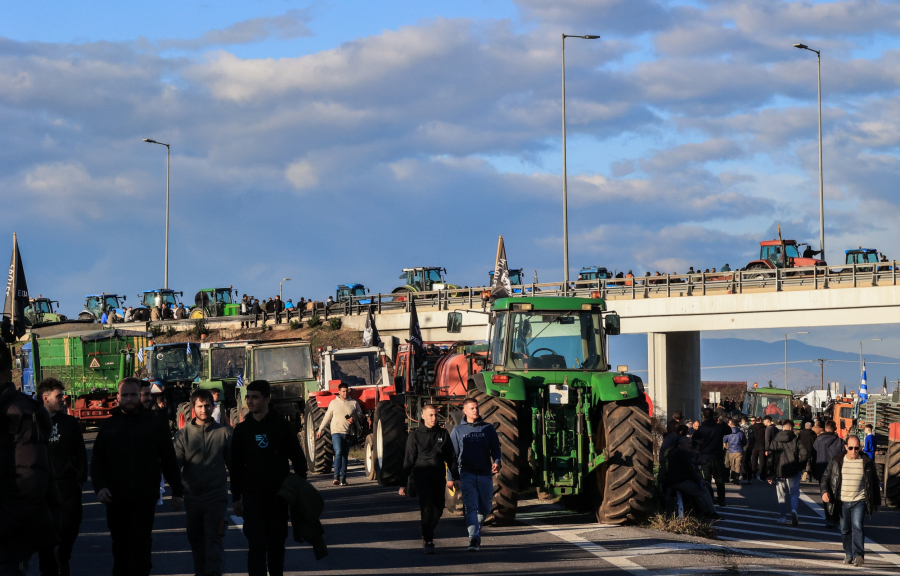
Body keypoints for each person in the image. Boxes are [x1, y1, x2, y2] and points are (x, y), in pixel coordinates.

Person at [91, 378, 184, 576]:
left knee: (141, 551)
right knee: (121, 551)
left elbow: (168, 458)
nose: (129, 399)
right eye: (125, 395)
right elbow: (97, 462)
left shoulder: (154, 424)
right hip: (116, 499)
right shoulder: (108, 427)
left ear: (139, 396)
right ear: (118, 397)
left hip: (144, 498)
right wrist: (100, 487)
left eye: (133, 394)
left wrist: (177, 490)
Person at [231, 380, 308, 576]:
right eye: (248, 397)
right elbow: (236, 466)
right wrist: (236, 497)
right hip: (252, 496)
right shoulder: (242, 430)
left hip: (278, 496)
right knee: (256, 544)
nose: (250, 401)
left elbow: (298, 458)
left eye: (255, 397)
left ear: (267, 399)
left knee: (276, 545)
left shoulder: (282, 426)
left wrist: (300, 489)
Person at [0, 339, 59, 576]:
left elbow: (29, 480)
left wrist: (3, 523)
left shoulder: (20, 413)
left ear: (4, 374)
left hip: (8, 538)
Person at [175, 389, 232, 576]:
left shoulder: (224, 433)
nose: (204, 410)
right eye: (200, 406)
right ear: (193, 408)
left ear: (213, 406)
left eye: (207, 405)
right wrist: (177, 492)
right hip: (192, 499)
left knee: (214, 540)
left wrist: (239, 495)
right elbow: (175, 465)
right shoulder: (183, 435)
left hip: (216, 497)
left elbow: (235, 467)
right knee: (196, 541)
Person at [36, 378, 87, 576]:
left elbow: (81, 455)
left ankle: (62, 560)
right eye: (59, 395)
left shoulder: (70, 423)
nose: (63, 398)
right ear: (45, 398)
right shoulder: (34, 422)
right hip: (43, 490)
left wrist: (79, 480)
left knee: (69, 532)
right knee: (46, 541)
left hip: (68, 489)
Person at [398, 404, 459, 554]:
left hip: (438, 475)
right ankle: (429, 539)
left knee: (438, 508)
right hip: (421, 475)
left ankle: (426, 529)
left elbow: (450, 457)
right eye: (431, 415)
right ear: (423, 416)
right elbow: (408, 460)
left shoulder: (443, 433)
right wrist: (402, 484)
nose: (434, 418)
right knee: (427, 507)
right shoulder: (415, 435)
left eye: (436, 415)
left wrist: (456, 477)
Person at [821, 435, 880, 567]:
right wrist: (824, 492)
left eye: (857, 448)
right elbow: (825, 477)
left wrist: (876, 501)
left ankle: (858, 554)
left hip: (860, 500)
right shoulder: (836, 461)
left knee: (858, 526)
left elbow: (873, 483)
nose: (854, 450)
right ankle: (848, 553)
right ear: (846, 447)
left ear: (860, 447)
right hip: (842, 502)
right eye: (851, 448)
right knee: (845, 529)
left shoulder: (866, 462)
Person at [450, 398, 501, 551]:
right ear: (464, 411)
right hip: (467, 474)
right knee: (471, 507)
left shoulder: (488, 428)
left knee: (485, 508)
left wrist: (497, 461)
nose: (475, 410)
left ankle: (475, 530)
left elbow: (496, 449)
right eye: (472, 408)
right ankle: (474, 539)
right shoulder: (457, 431)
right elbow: (452, 456)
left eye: (477, 407)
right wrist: (451, 477)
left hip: (485, 474)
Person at [316, 383, 363, 486]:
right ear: (339, 392)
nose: (345, 393)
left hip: (348, 432)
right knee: (338, 452)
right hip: (336, 431)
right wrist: (320, 429)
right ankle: (336, 477)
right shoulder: (333, 403)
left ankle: (343, 478)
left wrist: (353, 419)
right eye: (343, 391)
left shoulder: (354, 403)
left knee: (345, 455)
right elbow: (327, 417)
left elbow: (360, 415)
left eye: (346, 391)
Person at [666, 436, 719, 519]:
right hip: (680, 482)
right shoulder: (682, 453)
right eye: (688, 443)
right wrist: (699, 481)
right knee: (703, 490)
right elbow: (690, 470)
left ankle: (703, 511)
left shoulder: (674, 452)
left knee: (698, 491)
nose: (690, 445)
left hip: (675, 481)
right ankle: (711, 512)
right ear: (682, 443)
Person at [768, 421, 808, 526]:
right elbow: (804, 453)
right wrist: (800, 466)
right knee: (794, 493)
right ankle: (794, 510)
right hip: (793, 469)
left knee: (781, 494)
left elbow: (770, 457)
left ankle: (782, 517)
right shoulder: (795, 439)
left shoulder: (775, 440)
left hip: (779, 470)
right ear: (791, 428)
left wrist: (769, 472)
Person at [691, 408, 730, 506]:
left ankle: (710, 498)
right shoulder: (719, 427)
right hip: (717, 456)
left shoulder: (701, 429)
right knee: (719, 479)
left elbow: (693, 441)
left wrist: (698, 449)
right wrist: (722, 423)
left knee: (707, 480)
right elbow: (729, 430)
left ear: (703, 416)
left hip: (705, 457)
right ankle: (722, 499)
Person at [813, 420, 845, 528]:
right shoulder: (840, 442)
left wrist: (813, 470)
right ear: (835, 429)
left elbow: (813, 456)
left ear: (825, 429)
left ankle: (829, 517)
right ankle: (836, 517)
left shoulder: (818, 441)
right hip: (836, 471)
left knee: (825, 494)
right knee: (836, 494)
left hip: (821, 469)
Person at [723, 419, 747, 485]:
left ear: (730, 424)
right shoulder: (741, 432)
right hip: (739, 450)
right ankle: (736, 478)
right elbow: (745, 442)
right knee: (738, 464)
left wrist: (726, 447)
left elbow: (724, 441)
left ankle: (733, 477)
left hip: (731, 450)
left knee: (732, 464)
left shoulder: (727, 433)